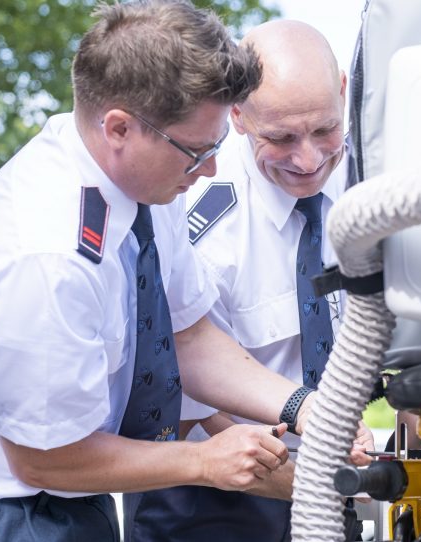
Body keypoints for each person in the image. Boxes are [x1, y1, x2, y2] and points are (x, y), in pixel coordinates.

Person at [0, 3, 330, 540]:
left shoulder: (147, 182)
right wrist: (203, 462)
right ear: (119, 127)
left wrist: (306, 407)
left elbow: (188, 334)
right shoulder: (44, 253)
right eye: (196, 152)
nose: (211, 170)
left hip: (78, 499)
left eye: (215, 147)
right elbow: (45, 459)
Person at [123, 19, 370, 542]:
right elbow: (189, 380)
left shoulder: (371, 185)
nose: (309, 159)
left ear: (344, 92)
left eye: (325, 129)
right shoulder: (191, 211)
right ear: (236, 113)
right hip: (207, 494)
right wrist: (303, 480)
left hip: (333, 481)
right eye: (280, 137)